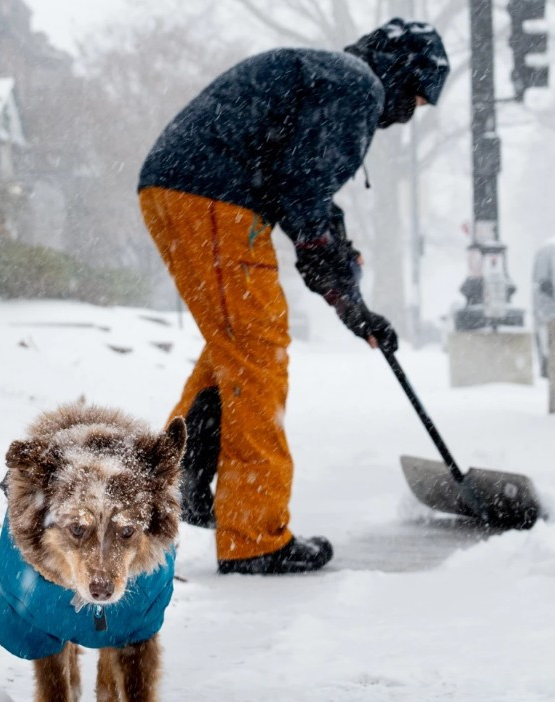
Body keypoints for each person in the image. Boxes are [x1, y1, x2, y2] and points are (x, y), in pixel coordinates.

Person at [138, 18, 449, 575]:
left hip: (181, 188)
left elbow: (310, 197)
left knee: (236, 344)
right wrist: (338, 281)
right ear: (402, 73)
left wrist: (352, 305)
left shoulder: (333, 78)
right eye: (418, 98)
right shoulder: (359, 86)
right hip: (212, 196)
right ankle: (255, 537)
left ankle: (174, 474)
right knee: (258, 355)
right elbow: (304, 190)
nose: (408, 115)